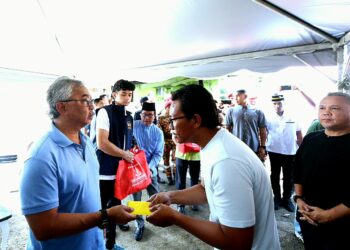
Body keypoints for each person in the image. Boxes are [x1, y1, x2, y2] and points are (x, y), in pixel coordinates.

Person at [146, 84, 280, 250]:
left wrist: (176, 217)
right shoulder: (213, 144)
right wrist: (170, 196)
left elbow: (238, 243)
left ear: (196, 120)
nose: (171, 128)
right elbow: (207, 189)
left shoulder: (226, 161)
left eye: (174, 120)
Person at [19, 77, 136, 250]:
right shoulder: (40, 158)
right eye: (84, 100)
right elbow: (43, 228)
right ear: (61, 107)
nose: (92, 105)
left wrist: (98, 226)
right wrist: (104, 216)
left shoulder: (86, 142)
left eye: (90, 100)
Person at [293, 92, 350, 249]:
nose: (326, 112)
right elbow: (297, 170)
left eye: (334, 108)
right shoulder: (311, 138)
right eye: (322, 108)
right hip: (309, 217)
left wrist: (328, 215)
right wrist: (299, 199)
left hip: (342, 225)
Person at [96, 79, 136, 250]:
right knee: (101, 212)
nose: (127, 97)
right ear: (114, 94)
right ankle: (98, 244)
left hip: (121, 172)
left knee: (115, 208)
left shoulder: (129, 116)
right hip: (105, 171)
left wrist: (132, 147)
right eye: (124, 94)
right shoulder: (104, 112)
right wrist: (124, 154)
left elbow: (127, 140)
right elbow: (102, 143)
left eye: (130, 94)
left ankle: (110, 244)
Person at [132, 102, 164, 241]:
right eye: (144, 114)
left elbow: (158, 154)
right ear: (140, 115)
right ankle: (140, 224)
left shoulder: (158, 132)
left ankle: (154, 217)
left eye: (150, 115)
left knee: (155, 196)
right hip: (135, 171)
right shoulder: (133, 126)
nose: (147, 117)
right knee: (137, 199)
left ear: (154, 115)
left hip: (151, 170)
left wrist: (149, 168)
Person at [266, 94, 303, 212]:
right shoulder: (268, 117)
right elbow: (264, 132)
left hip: (290, 151)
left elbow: (298, 133)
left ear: (284, 103)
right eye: (275, 104)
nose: (277, 106)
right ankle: (276, 198)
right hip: (274, 150)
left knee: (289, 177)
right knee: (274, 175)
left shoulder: (294, 116)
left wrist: (302, 149)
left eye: (279, 103)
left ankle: (286, 199)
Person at [224, 89, 267, 162]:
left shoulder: (258, 111)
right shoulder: (231, 111)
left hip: (254, 148)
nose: (235, 98)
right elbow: (227, 130)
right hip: (237, 148)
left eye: (237, 96)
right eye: (234, 96)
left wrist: (263, 147)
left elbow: (262, 130)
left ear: (245, 96)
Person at [174, 142, 201, 214]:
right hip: (181, 154)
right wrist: (177, 142)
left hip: (196, 155)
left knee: (194, 180)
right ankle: (180, 204)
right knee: (180, 181)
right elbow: (174, 135)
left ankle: (194, 201)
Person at [157, 99, 176, 185]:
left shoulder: (175, 117)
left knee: (175, 160)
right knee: (166, 161)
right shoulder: (161, 118)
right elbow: (160, 132)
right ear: (167, 107)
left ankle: (176, 177)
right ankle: (169, 178)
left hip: (175, 142)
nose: (173, 108)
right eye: (171, 106)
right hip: (165, 142)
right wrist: (162, 142)